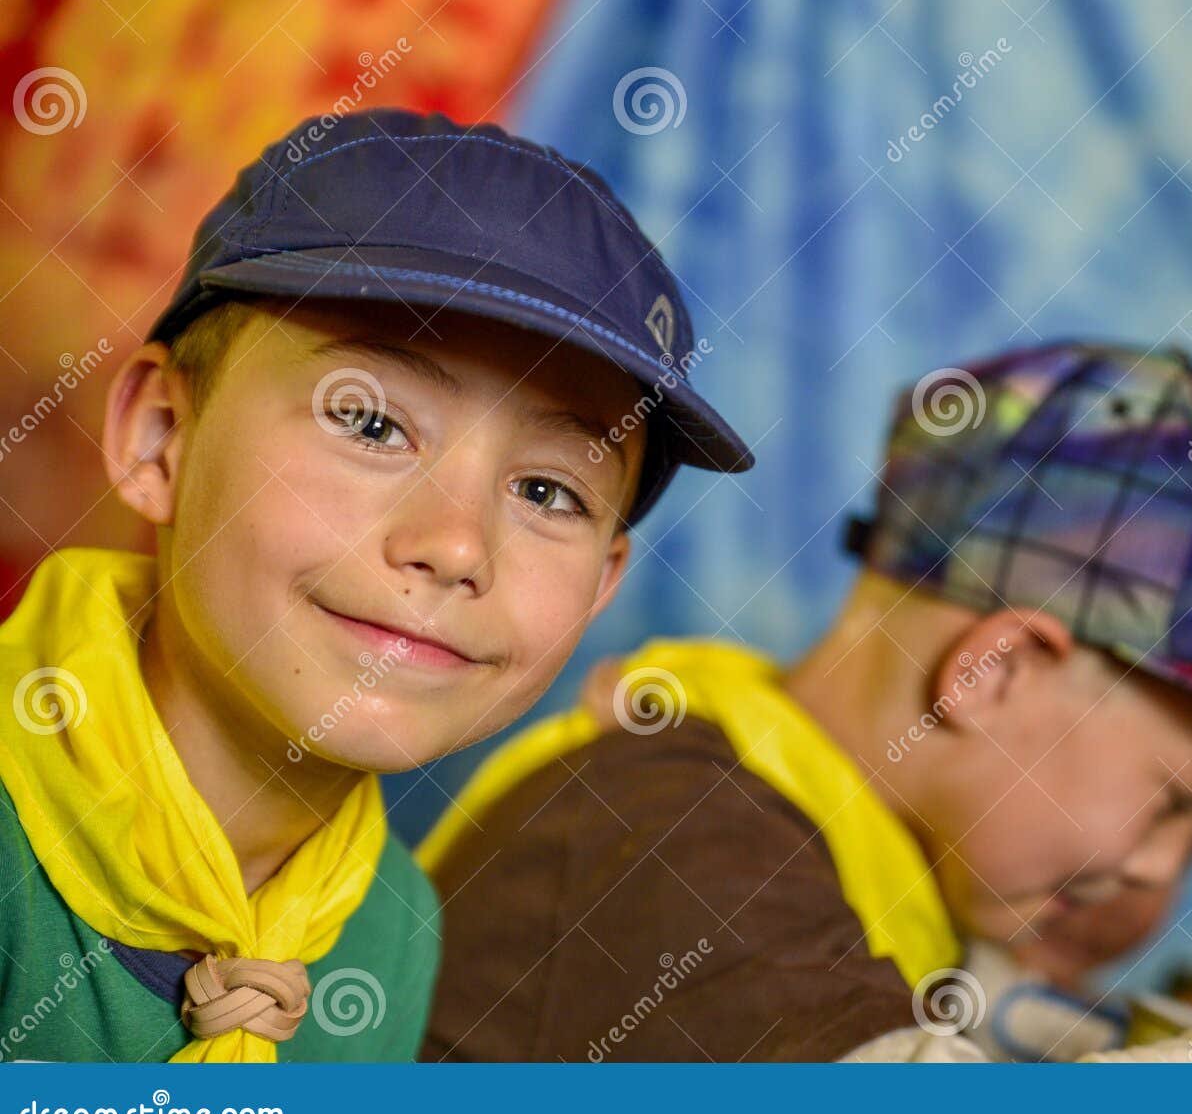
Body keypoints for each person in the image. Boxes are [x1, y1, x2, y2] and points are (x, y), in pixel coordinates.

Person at [418, 342, 1192, 1064]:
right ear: (995, 671)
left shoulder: (856, 843)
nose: (1164, 876)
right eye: (1175, 802)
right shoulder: (662, 838)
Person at [0, 108, 751, 1063]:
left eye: (546, 491)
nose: (456, 545)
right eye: (369, 423)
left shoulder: (391, 930)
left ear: (601, 587)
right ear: (161, 439)